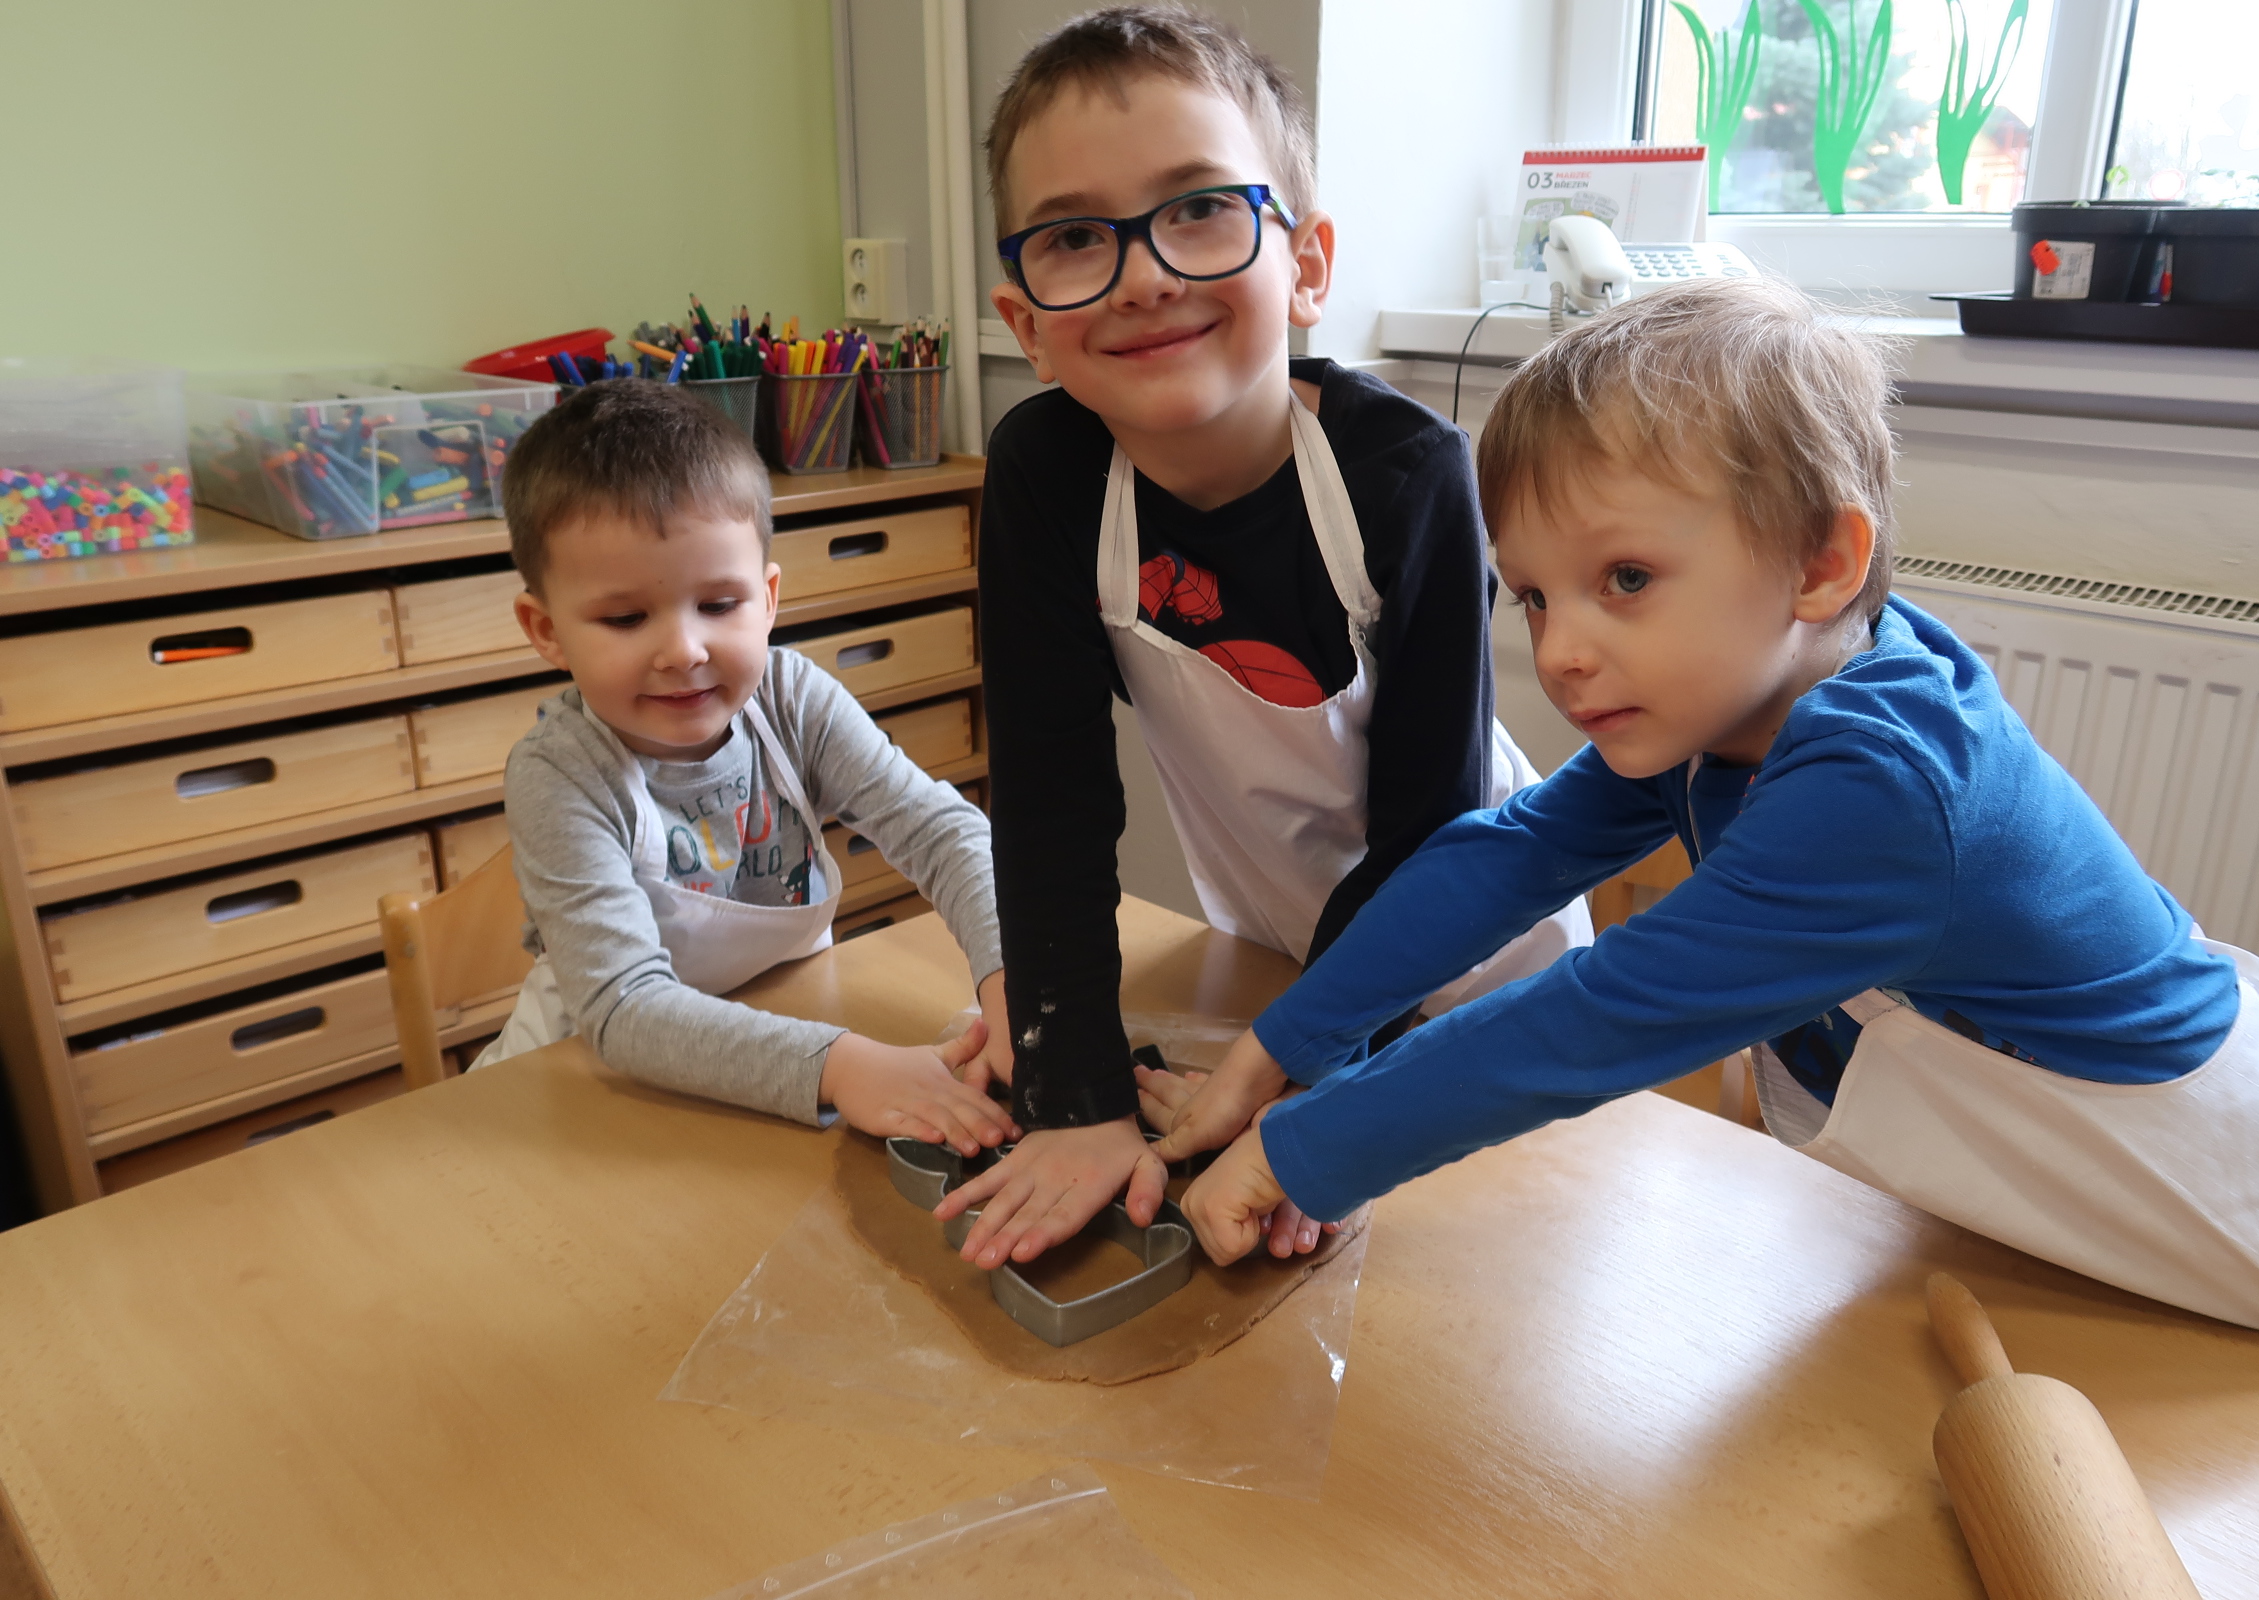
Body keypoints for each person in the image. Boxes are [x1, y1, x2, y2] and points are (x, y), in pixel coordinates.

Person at [1164, 277, 2259, 1370]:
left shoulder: (1883, 787)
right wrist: (1283, 1047)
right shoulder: (1726, 705)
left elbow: (1598, 1015)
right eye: (1533, 594)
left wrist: (1296, 1153)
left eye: (1626, 579)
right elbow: (1511, 851)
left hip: (2233, 1180)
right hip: (2042, 1185)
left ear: (1820, 565)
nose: (1562, 651)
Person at [937, 4, 1591, 1271]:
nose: (1143, 274)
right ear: (1027, 324)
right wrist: (1076, 1096)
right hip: (1292, 960)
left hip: (1487, 973)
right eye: (1075, 236)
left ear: (1307, 264)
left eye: (1197, 209)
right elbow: (1052, 801)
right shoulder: (1047, 479)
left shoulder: (1407, 477)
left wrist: (1312, 1081)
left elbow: (1429, 836)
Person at [473, 380, 1017, 1157]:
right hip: (594, 1097)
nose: (684, 650)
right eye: (626, 618)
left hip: (781, 1058)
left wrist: (1010, 980)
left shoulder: (792, 702)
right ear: (546, 630)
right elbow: (625, 1008)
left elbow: (944, 833)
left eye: (719, 605)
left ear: (767, 599)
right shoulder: (561, 774)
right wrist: (841, 1065)